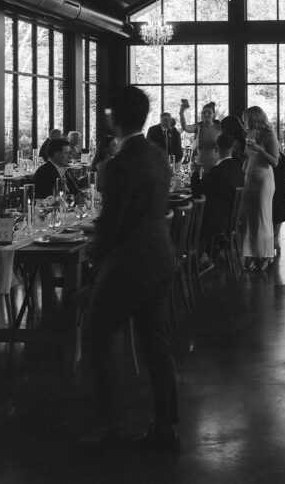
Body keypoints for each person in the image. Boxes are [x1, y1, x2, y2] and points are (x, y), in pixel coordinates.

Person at [81, 85, 180, 452]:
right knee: (156, 344)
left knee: (95, 335)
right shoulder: (156, 154)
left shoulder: (121, 163)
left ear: (113, 117)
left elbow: (114, 221)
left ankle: (109, 427)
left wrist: (95, 254)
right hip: (160, 259)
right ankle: (167, 426)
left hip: (130, 265)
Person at [240, 106, 279, 272]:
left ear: (255, 118)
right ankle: (252, 254)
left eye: (246, 119)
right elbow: (248, 157)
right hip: (250, 177)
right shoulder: (250, 135)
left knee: (263, 218)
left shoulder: (269, 136)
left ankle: (267, 255)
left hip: (264, 179)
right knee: (250, 218)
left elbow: (275, 161)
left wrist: (260, 150)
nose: (244, 123)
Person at [191, 133, 244, 241]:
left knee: (186, 221)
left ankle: (197, 252)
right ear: (232, 149)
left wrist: (195, 172)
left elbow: (196, 190)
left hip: (217, 220)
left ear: (216, 149)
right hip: (234, 218)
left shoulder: (217, 171)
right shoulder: (239, 169)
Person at [271, 150, 285, 263]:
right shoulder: (280, 156)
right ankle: (275, 238)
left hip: (276, 170)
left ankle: (274, 238)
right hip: (280, 167)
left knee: (277, 199)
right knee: (279, 198)